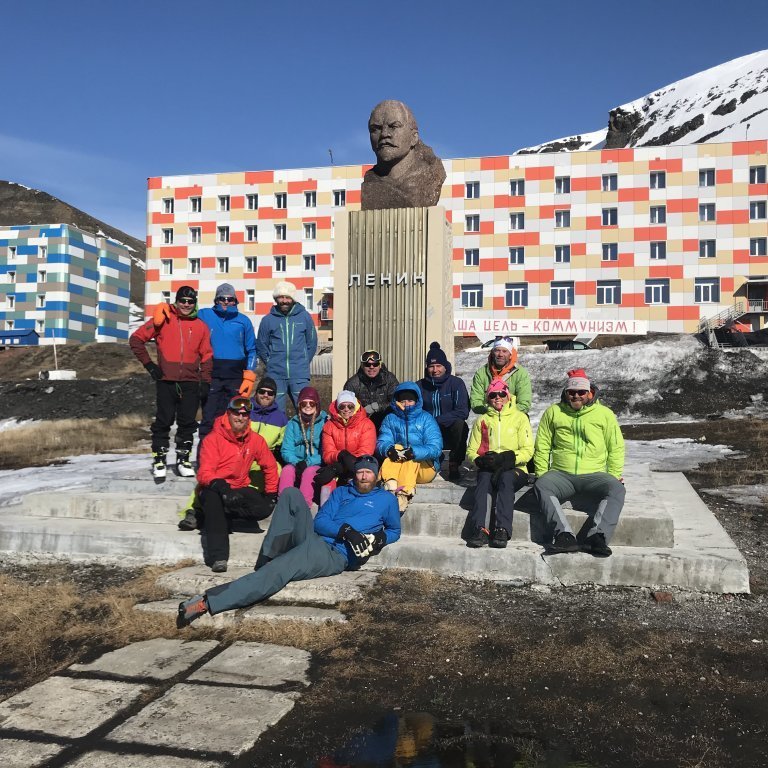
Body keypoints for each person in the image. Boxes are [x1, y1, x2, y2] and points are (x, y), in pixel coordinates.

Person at [177, 455, 400, 627]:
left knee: (284, 567)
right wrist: (346, 530)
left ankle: (208, 602)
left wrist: (379, 538)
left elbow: (394, 530)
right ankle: (267, 563)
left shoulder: (386, 500)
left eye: (368, 473)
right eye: (360, 472)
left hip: (334, 554)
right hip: (317, 537)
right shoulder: (342, 492)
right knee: (291, 493)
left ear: (376, 475)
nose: (363, 476)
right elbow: (320, 522)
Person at [533, 368, 626, 557]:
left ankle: (597, 537)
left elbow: (615, 446)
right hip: (561, 473)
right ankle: (564, 535)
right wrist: (542, 472)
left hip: (595, 474)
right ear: (566, 393)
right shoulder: (553, 412)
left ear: (589, 392)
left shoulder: (604, 414)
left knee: (617, 489)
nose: (576, 396)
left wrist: (614, 474)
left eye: (581, 392)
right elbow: (542, 444)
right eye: (571, 392)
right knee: (542, 485)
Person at [177, 377, 287, 532]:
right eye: (262, 391)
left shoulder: (280, 418)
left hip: (257, 457)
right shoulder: (244, 409)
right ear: (256, 392)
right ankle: (194, 510)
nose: (265, 395)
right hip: (235, 454)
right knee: (213, 474)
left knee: (276, 468)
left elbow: (281, 444)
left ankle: (249, 503)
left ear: (275, 396)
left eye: (270, 393)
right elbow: (224, 425)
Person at [129, 286, 212, 479]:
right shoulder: (163, 320)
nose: (186, 305)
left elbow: (207, 355)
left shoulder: (200, 326)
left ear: (195, 303)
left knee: (187, 423)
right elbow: (136, 340)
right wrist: (150, 366)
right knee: (163, 421)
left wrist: (206, 380)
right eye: (182, 301)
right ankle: (159, 459)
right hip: (166, 381)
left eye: (190, 302)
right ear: (176, 301)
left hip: (191, 382)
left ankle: (183, 460)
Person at [196, 396, 279, 573]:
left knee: (263, 508)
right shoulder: (213, 439)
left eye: (245, 415)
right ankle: (219, 556)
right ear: (228, 414)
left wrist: (271, 494)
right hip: (215, 489)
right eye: (236, 414)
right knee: (213, 501)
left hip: (238, 488)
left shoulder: (254, 440)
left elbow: (270, 466)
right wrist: (221, 487)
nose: (240, 418)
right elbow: (204, 473)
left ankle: (225, 516)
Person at [465, 380, 534, 549]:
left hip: (515, 468)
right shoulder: (482, 420)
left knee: (506, 478)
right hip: (489, 467)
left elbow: (528, 450)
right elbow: (471, 450)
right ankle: (480, 528)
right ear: (488, 398)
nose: (498, 398)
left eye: (502, 394)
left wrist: (508, 458)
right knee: (483, 480)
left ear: (508, 396)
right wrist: (479, 460)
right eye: (493, 395)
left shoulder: (520, 418)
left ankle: (502, 528)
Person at [196, 282, 258, 448]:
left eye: (230, 299)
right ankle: (205, 460)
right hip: (212, 375)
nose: (226, 302)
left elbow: (252, 350)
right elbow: (184, 310)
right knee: (209, 418)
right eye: (221, 298)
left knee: (232, 418)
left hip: (235, 377)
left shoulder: (243, 321)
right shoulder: (204, 315)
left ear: (235, 301)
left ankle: (229, 458)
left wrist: (249, 376)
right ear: (216, 300)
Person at [361, 100, 446, 210]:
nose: (384, 134)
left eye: (393, 126)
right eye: (375, 129)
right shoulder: (370, 182)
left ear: (414, 137)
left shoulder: (429, 176)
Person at [376, 382, 443, 513]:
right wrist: (389, 450)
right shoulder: (391, 418)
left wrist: (413, 452)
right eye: (403, 400)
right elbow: (382, 442)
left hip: (424, 468)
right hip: (398, 468)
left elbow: (436, 447)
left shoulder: (426, 419)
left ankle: (404, 494)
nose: (406, 403)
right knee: (395, 447)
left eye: (410, 400)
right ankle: (390, 486)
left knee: (412, 456)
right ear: (397, 401)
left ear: (417, 401)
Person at [256, 281, 317, 411]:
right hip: (275, 374)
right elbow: (261, 345)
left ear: (293, 299)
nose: (284, 301)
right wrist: (270, 362)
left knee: (305, 409)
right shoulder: (267, 320)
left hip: (299, 374)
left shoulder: (305, 317)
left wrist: (304, 361)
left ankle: (304, 432)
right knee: (275, 411)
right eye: (281, 297)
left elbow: (312, 342)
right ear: (276, 298)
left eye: (288, 297)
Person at [417, 342, 469, 481]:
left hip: (448, 430)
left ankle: (454, 463)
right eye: (431, 366)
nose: (435, 370)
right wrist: (429, 423)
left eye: (438, 366)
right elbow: (415, 410)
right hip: (427, 431)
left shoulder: (456, 383)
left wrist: (437, 420)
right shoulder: (420, 386)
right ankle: (429, 460)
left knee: (461, 425)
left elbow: (463, 411)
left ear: (445, 367)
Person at [314, 390, 377, 505]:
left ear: (355, 407)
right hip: (336, 465)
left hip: (358, 467)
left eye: (350, 406)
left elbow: (366, 452)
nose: (346, 409)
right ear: (338, 408)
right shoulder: (329, 426)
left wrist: (342, 464)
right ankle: (325, 515)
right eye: (342, 406)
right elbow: (328, 454)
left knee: (355, 487)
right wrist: (341, 455)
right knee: (326, 487)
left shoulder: (366, 424)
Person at [279, 386, 327, 507]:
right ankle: (284, 504)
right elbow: (286, 449)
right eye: (303, 403)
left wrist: (308, 462)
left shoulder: (324, 423)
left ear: (317, 405)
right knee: (287, 470)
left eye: (312, 403)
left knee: (309, 472)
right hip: (296, 461)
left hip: (315, 463)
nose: (308, 406)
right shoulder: (292, 424)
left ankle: (304, 506)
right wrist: (296, 462)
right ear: (299, 405)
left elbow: (324, 451)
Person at [469, 337, 532, 416]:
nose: (500, 354)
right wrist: (492, 412)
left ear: (510, 355)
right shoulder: (481, 373)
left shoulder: (520, 373)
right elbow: (475, 403)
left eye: (505, 351)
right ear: (492, 353)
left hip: (513, 417)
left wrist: (504, 413)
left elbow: (524, 404)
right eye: (497, 350)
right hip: (490, 417)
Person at [343, 349, 399, 431]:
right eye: (367, 364)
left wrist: (376, 407)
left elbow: (396, 402)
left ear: (380, 365)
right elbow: (346, 407)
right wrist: (362, 411)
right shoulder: (352, 383)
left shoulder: (390, 379)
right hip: (361, 426)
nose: (371, 367)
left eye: (375, 364)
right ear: (362, 366)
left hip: (387, 424)